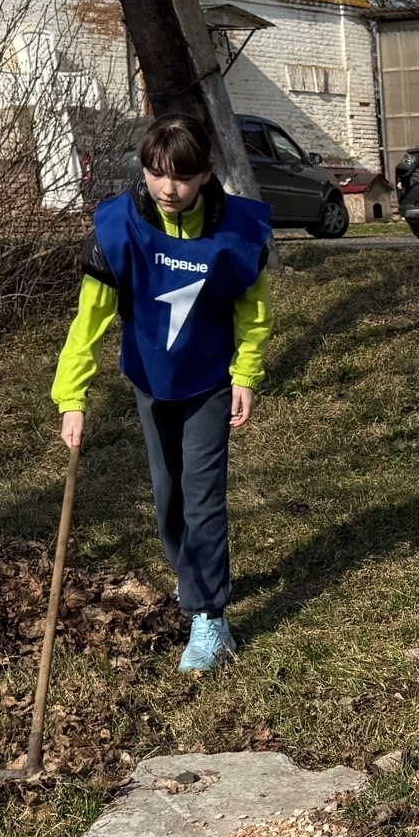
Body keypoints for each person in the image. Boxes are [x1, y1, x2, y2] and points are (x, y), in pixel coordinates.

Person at [54, 114, 274, 673]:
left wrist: (245, 374)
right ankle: (190, 577)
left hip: (208, 382)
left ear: (205, 174)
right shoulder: (118, 229)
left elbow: (253, 312)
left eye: (181, 176)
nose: (167, 189)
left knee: (203, 495)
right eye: (156, 174)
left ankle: (210, 616)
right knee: (167, 495)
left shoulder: (237, 233)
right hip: (149, 379)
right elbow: (90, 321)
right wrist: (72, 397)